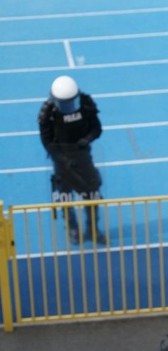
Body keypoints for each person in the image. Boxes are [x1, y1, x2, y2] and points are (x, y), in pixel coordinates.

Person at [38, 75, 106, 243]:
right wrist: (62, 159)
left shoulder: (86, 103)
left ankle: (92, 228)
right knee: (65, 197)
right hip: (62, 161)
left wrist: (87, 139)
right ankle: (72, 228)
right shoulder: (48, 114)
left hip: (83, 157)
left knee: (92, 193)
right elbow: (47, 142)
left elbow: (97, 128)